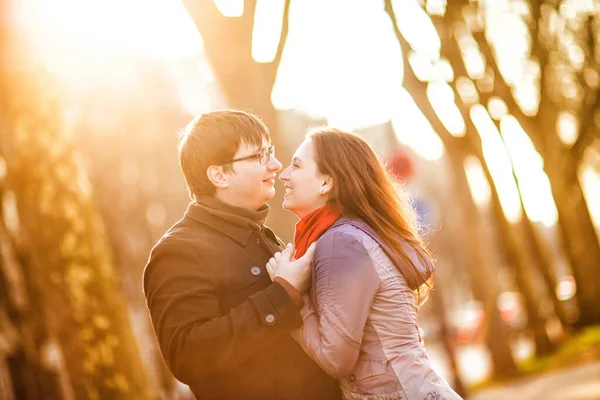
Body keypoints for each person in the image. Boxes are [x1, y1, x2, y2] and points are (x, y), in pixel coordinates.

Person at [143, 110, 341, 400]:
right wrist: (281, 295)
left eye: (270, 151)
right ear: (219, 174)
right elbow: (188, 354)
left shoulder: (262, 236)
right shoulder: (178, 251)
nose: (275, 165)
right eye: (258, 156)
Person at [267, 128, 463, 400]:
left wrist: (292, 296)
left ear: (327, 183)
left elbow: (336, 359)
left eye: (297, 165)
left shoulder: (342, 243)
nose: (284, 174)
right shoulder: (354, 235)